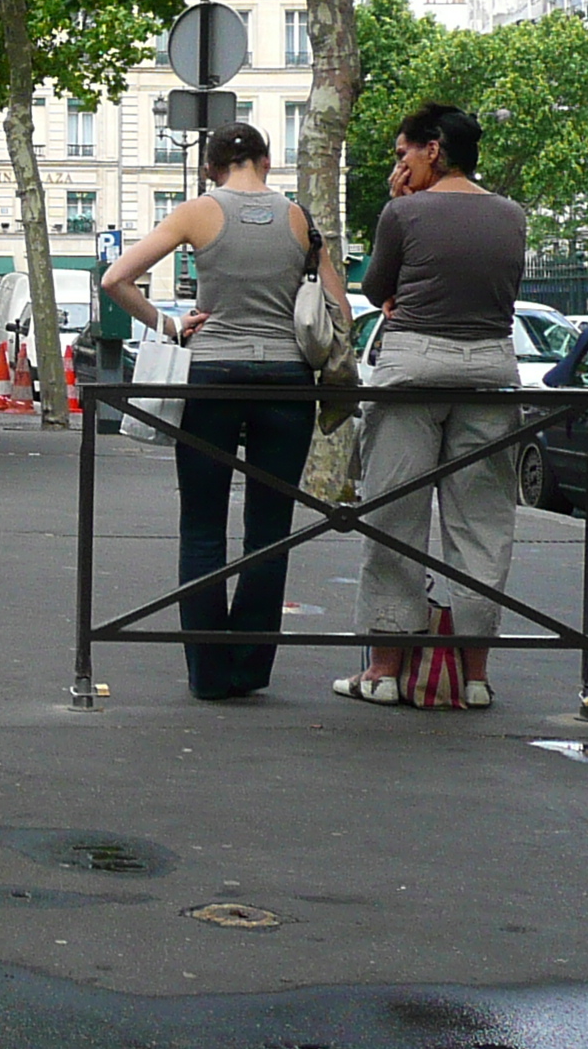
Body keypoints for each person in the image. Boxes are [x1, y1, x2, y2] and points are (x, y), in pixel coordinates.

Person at [101, 123, 351, 703]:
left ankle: (208, 674)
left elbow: (116, 278)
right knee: (269, 532)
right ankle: (250, 668)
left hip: (214, 377)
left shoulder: (197, 213)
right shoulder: (300, 221)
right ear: (266, 160)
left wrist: (169, 325)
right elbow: (337, 307)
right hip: (287, 383)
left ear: (213, 167)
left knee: (203, 525)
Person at [344, 103, 532, 710]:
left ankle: (383, 671)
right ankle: (473, 677)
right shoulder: (512, 216)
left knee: (393, 517)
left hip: (413, 369)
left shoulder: (405, 211)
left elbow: (377, 287)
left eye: (403, 153)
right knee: (481, 524)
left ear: (433, 149)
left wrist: (392, 208)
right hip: (490, 368)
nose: (399, 164)